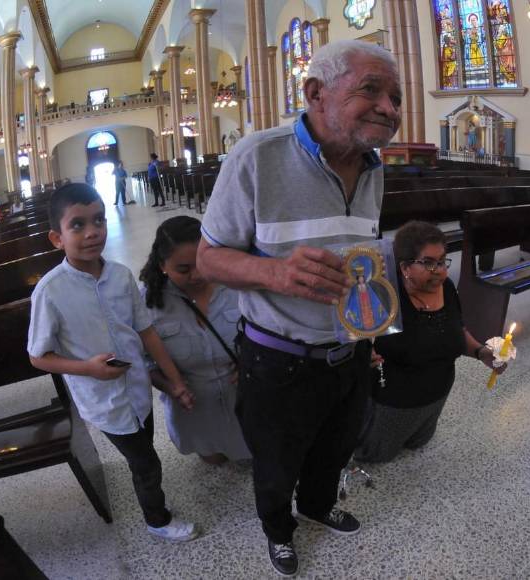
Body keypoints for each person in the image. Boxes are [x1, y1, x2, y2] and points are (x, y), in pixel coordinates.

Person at [197, 40, 402, 576]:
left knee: (335, 447)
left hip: (350, 351)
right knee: (276, 462)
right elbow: (207, 259)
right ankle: (278, 530)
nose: (390, 107)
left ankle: (316, 505)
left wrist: (372, 327)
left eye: (396, 97)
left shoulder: (374, 168)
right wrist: (275, 272)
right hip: (278, 359)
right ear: (315, 93)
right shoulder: (257, 156)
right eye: (371, 91)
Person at [27, 183, 200, 542]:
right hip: (104, 402)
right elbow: (37, 356)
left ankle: (151, 497)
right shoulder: (50, 291)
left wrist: (175, 380)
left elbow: (146, 332)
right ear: (56, 238)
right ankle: (157, 519)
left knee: (145, 449)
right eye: (78, 225)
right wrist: (87, 368)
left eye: (99, 220)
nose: (92, 232)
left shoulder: (120, 276)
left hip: (137, 391)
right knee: (146, 463)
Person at [355, 221, 507, 464]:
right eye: (428, 263)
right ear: (404, 267)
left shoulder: (446, 288)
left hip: (436, 398)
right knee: (374, 455)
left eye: (442, 261)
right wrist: (364, 353)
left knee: (418, 443)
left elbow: (458, 331)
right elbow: (356, 336)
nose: (440, 270)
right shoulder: (387, 296)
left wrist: (481, 352)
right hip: (394, 403)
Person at [140, 216, 251, 465]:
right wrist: (172, 387)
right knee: (212, 458)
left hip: (243, 398)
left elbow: (269, 329)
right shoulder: (147, 304)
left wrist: (251, 361)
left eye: (203, 263)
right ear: (162, 265)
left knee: (249, 455)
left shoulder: (235, 283)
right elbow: (144, 362)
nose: (197, 275)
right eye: (183, 269)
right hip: (195, 408)